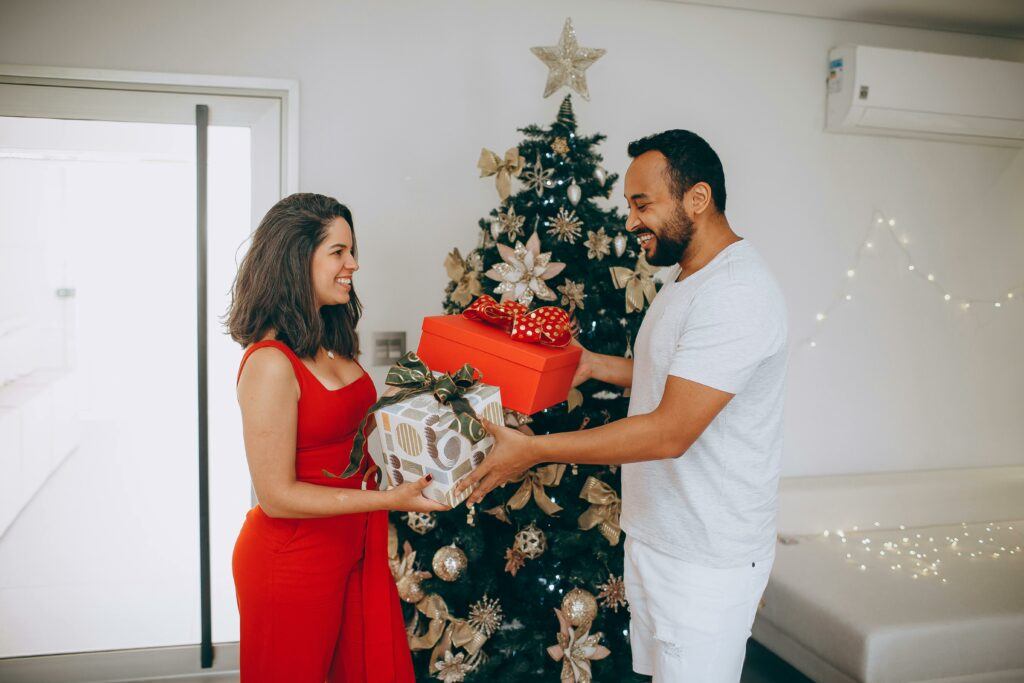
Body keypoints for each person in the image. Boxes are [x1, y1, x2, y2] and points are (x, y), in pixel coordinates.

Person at [458, 130, 788, 682]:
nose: (630, 221)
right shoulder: (687, 280)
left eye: (642, 204)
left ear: (697, 199)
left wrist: (534, 451)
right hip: (660, 540)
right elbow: (682, 381)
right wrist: (593, 365)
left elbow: (668, 431)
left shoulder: (737, 293)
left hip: (704, 559)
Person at [227, 193, 445, 682]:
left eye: (352, 251)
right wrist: (387, 499)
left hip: (353, 547)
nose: (353, 264)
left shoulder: (329, 339)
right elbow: (276, 497)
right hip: (294, 561)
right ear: (296, 259)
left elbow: (347, 431)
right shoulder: (269, 363)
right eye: (338, 252)